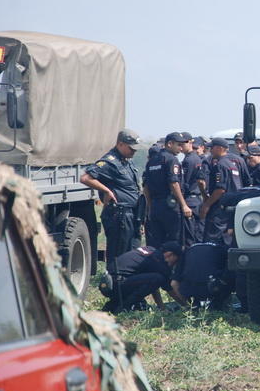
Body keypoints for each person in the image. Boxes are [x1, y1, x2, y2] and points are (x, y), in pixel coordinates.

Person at [80, 129, 142, 267]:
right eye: (131, 148)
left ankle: (127, 284)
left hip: (131, 215)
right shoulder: (110, 161)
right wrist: (106, 190)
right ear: (120, 144)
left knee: (133, 254)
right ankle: (115, 285)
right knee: (119, 256)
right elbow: (85, 178)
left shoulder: (127, 161)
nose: (134, 152)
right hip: (119, 215)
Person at [101, 242, 186, 313]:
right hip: (117, 284)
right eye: (176, 260)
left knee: (156, 279)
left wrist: (161, 307)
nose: (175, 264)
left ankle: (113, 305)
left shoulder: (150, 250)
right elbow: (170, 290)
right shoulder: (160, 263)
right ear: (170, 254)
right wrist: (185, 305)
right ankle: (123, 307)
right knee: (158, 278)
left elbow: (153, 286)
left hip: (108, 282)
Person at [143, 132, 193, 248]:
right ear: (170, 144)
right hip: (170, 207)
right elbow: (174, 184)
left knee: (157, 243)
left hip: (155, 206)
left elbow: (146, 187)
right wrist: (184, 205)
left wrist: (150, 207)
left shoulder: (151, 161)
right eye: (178, 145)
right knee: (173, 243)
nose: (181, 149)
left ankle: (157, 265)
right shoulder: (171, 160)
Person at [201, 137, 246, 245]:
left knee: (212, 241)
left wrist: (206, 205)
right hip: (231, 208)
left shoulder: (220, 165)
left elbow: (220, 189)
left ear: (220, 148)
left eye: (212, 147)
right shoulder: (231, 165)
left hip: (220, 209)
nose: (210, 150)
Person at [171, 241, 233, 309]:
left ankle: (194, 306)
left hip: (191, 291)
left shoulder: (187, 251)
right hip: (213, 288)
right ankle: (220, 303)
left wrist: (186, 305)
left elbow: (174, 283)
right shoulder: (222, 248)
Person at [181, 132, 206, 246]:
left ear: (190, 143)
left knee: (190, 237)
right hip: (196, 200)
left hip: (190, 200)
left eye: (184, 143)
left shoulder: (189, 160)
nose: (181, 146)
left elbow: (185, 183)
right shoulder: (195, 158)